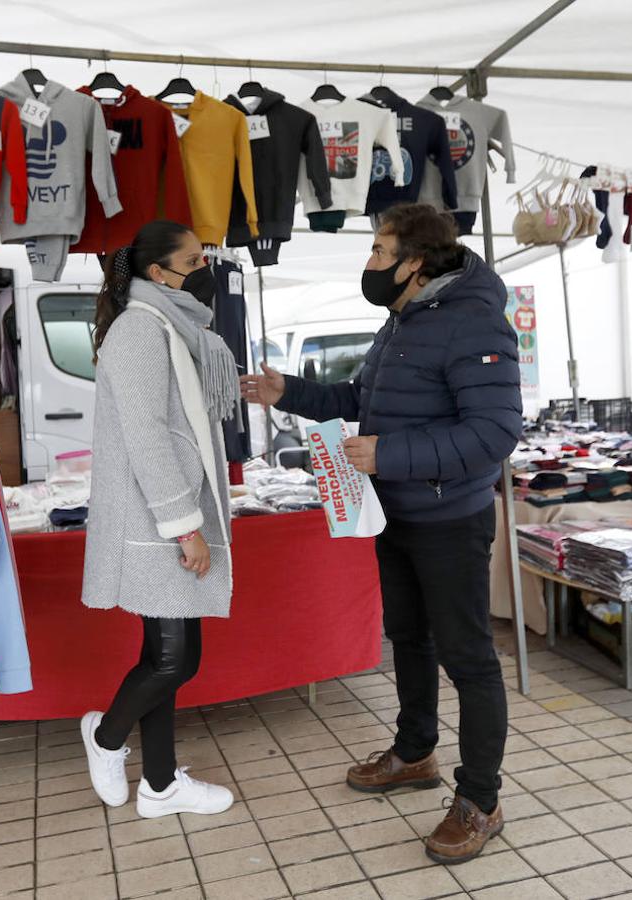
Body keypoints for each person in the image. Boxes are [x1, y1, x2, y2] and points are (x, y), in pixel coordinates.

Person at [241, 203, 522, 864]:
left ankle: (480, 799)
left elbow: (493, 433)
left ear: (414, 263)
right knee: (408, 639)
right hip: (392, 513)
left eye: (375, 251)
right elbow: (359, 400)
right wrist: (289, 391)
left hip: (449, 519)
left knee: (469, 660)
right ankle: (414, 751)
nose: (367, 263)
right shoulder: (402, 319)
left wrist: (389, 455)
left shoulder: (475, 322)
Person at [78, 219, 240, 819]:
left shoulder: (169, 326)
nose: (207, 270)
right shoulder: (141, 331)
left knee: (165, 657)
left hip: (164, 518)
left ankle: (161, 783)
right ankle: (105, 736)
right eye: (195, 261)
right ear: (158, 273)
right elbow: (148, 436)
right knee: (175, 660)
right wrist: (186, 526)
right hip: (157, 522)